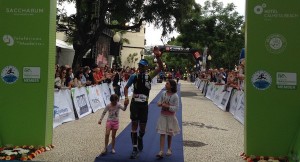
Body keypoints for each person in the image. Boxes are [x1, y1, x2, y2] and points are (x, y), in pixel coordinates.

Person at [124, 46, 163, 159]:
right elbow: (126, 88)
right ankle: (134, 148)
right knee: (134, 125)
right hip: (135, 104)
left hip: (144, 105)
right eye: (139, 65)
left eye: (142, 66)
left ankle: (140, 138)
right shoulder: (133, 76)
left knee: (142, 128)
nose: (140, 67)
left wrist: (158, 56)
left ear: (146, 67)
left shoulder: (149, 76)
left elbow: (160, 68)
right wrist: (126, 97)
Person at [156, 79, 180, 158]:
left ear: (171, 86)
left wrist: (168, 106)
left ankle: (169, 148)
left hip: (171, 117)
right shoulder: (163, 93)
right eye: (166, 83)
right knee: (162, 133)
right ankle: (161, 150)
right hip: (163, 116)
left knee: (170, 133)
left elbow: (176, 108)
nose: (165, 85)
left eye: (167, 84)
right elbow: (159, 102)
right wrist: (160, 104)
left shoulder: (175, 96)